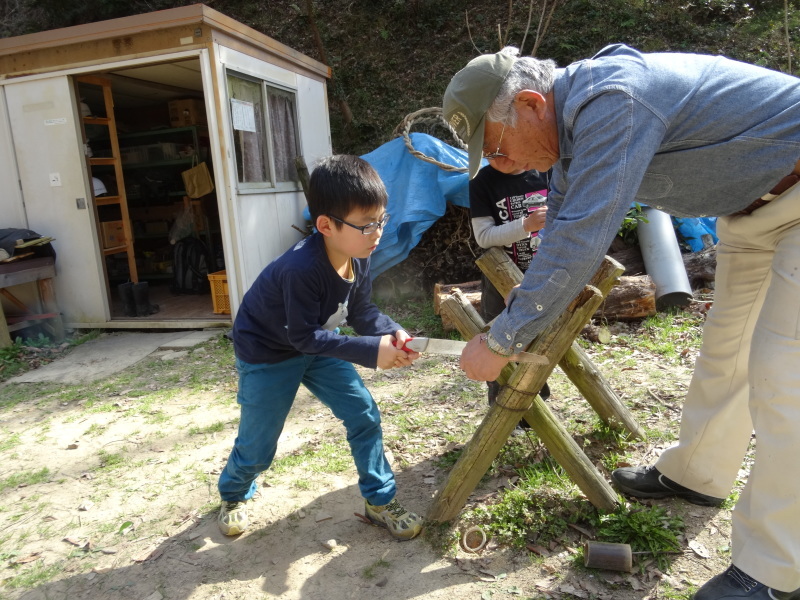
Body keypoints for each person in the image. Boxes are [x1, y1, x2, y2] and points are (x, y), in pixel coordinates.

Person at [443, 44, 800, 600]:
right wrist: (518, 321)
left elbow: (585, 233)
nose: (498, 166)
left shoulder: (612, 98)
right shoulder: (566, 146)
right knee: (725, 349)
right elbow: (562, 229)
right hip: (752, 213)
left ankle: (779, 570)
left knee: (784, 372)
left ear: (533, 104)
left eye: (496, 147)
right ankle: (699, 475)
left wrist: (502, 336)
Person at [217, 155, 424, 541]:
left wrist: (393, 332)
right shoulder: (301, 270)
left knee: (363, 414)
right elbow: (303, 338)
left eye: (382, 220)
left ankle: (380, 501)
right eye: (367, 225)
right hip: (268, 351)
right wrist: (370, 352)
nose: (377, 233)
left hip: (314, 342)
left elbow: (363, 312)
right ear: (326, 225)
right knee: (259, 443)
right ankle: (233, 493)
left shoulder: (358, 256)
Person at [469, 163, 551, 412]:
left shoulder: (548, 170)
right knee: (499, 347)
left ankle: (538, 411)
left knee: (540, 346)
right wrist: (526, 225)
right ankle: (501, 411)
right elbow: (483, 237)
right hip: (500, 278)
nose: (497, 155)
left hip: (543, 277)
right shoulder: (481, 181)